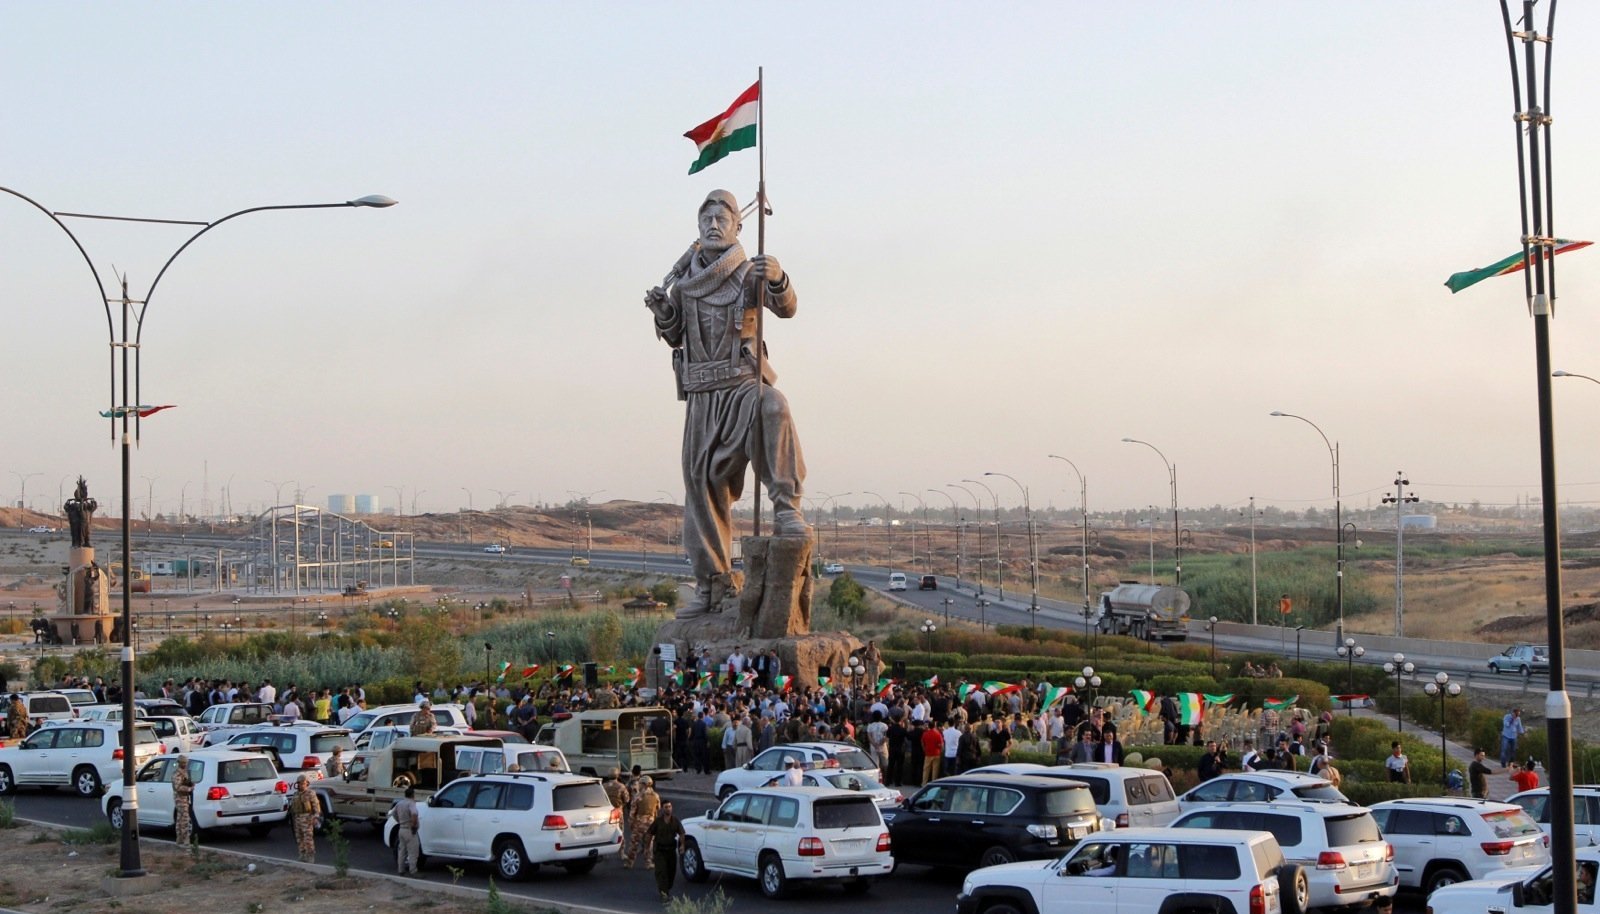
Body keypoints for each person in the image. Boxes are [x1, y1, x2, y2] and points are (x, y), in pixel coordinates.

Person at [644, 189, 810, 617]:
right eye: (706, 220)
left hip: (741, 384)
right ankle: (712, 584)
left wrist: (776, 277)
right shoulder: (683, 284)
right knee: (701, 489)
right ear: (697, 229)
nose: (714, 225)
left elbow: (787, 307)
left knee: (775, 407)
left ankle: (787, 507)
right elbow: (677, 334)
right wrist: (664, 311)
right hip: (702, 396)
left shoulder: (748, 271)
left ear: (738, 225)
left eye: (722, 218)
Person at [647, 800, 686, 899]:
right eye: (666, 807)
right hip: (660, 851)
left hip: (671, 851)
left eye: (669, 807)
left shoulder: (675, 821)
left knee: (671, 872)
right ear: (662, 809)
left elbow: (681, 833)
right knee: (661, 872)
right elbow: (650, 833)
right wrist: (648, 847)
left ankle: (666, 888)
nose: (668, 809)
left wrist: (682, 845)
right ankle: (664, 893)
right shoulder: (658, 821)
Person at [624, 775, 660, 868]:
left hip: (639, 824)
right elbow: (657, 809)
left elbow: (632, 813)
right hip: (651, 823)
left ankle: (629, 863)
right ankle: (648, 863)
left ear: (643, 784)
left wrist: (631, 824)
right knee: (649, 844)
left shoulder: (637, 797)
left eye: (640, 783)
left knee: (634, 844)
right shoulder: (655, 796)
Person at [392, 785, 421, 875]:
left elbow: (393, 813)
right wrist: (413, 825)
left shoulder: (400, 803)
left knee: (402, 851)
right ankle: (413, 871)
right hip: (409, 830)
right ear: (412, 795)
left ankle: (401, 870)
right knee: (413, 851)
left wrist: (399, 821)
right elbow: (414, 814)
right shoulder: (411, 803)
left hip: (401, 829)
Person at [290, 775, 319, 862]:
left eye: (303, 783)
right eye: (300, 783)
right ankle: (302, 854)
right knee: (299, 838)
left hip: (307, 819)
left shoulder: (310, 793)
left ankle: (310, 855)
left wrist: (315, 817)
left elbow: (316, 806)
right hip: (297, 818)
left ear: (306, 783)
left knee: (308, 838)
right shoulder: (296, 794)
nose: (302, 785)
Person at [173, 756, 195, 846]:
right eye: (184, 763)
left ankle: (179, 839)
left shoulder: (184, 773)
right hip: (180, 798)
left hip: (185, 798)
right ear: (180, 763)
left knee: (180, 819)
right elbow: (178, 787)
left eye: (186, 763)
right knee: (185, 819)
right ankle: (185, 840)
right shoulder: (177, 774)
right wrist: (190, 789)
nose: (185, 764)